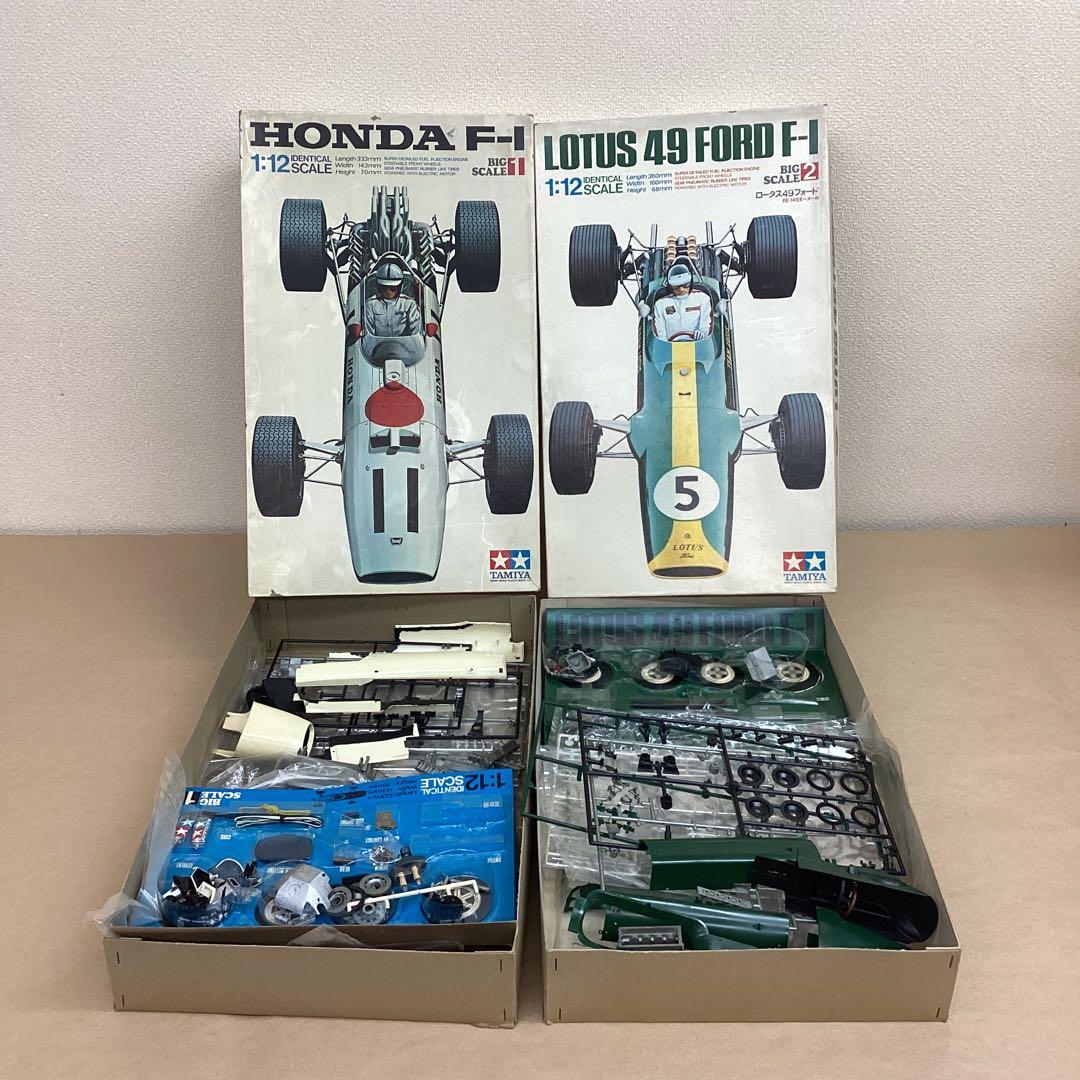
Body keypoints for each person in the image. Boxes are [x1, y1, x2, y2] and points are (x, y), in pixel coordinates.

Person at [649, 264, 711, 341]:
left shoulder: (702, 298)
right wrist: (665, 344)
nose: (681, 289)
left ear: (690, 282)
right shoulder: (661, 304)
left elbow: (706, 325)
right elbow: (660, 332)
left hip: (699, 344)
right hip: (669, 346)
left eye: (685, 285)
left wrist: (702, 333)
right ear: (670, 286)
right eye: (676, 287)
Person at [364, 263, 421, 337]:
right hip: (377, 344)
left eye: (392, 288)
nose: (388, 291)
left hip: (405, 344)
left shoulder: (409, 304)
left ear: (399, 287)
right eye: (384, 288)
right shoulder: (370, 304)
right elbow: (368, 333)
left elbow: (415, 329)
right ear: (379, 287)